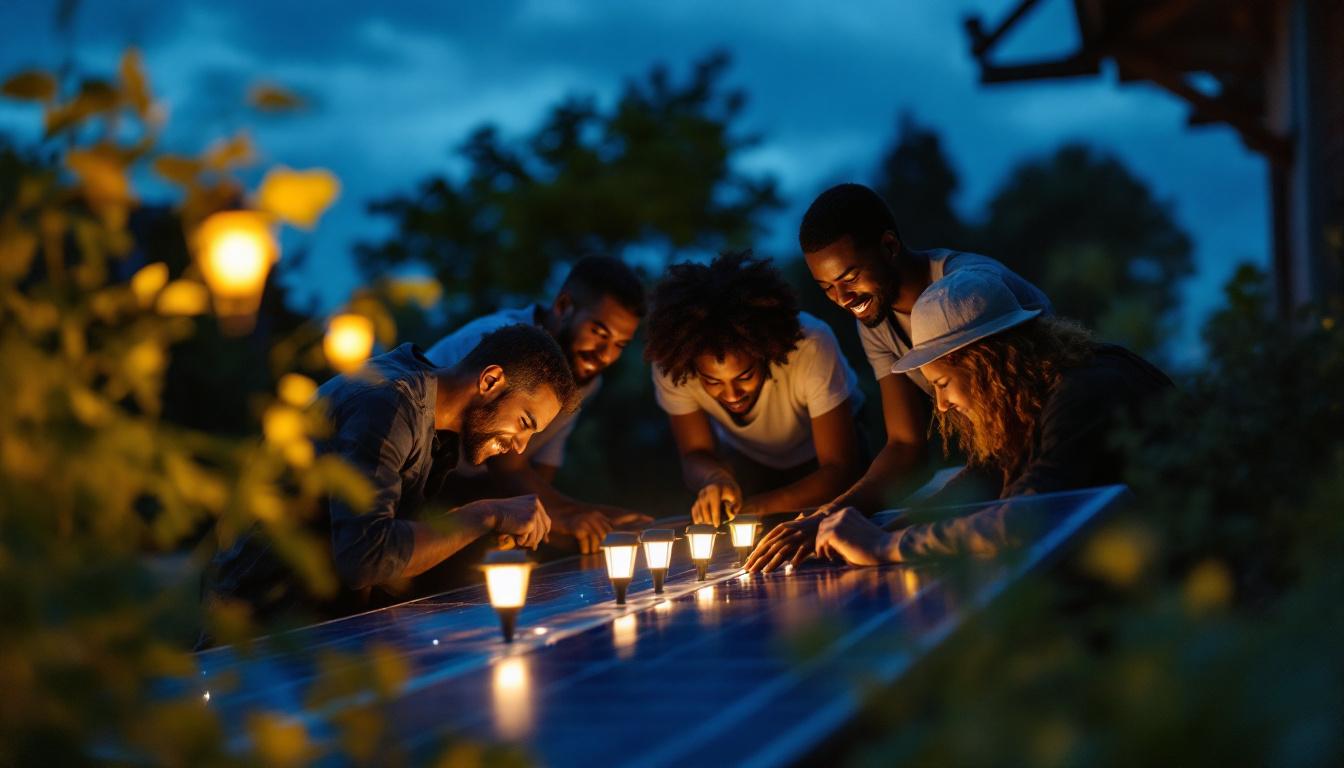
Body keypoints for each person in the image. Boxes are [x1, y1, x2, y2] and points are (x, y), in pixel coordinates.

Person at [748, 182, 1052, 571]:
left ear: (889, 246)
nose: (843, 298)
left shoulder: (975, 292)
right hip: (1000, 465)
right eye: (827, 289)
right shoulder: (874, 320)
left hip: (1047, 457)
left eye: (850, 277)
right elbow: (906, 444)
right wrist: (827, 517)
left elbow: (1030, 422)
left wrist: (889, 532)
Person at [206, 324, 580, 623]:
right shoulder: (388, 404)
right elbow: (365, 558)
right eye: (524, 423)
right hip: (257, 628)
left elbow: (394, 546)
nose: (519, 446)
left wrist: (477, 535)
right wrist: (487, 514)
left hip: (311, 623)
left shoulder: (432, 419)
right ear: (490, 381)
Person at [812, 269, 1173, 566]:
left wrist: (883, 547)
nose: (940, 405)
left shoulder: (1082, 393)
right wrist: (885, 527)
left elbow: (1027, 518)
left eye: (942, 383)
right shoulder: (1039, 393)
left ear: (983, 364)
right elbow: (987, 472)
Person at [426, 256, 651, 553]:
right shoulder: (500, 343)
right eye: (599, 333)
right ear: (563, 307)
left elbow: (539, 468)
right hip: (423, 481)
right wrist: (572, 513)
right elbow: (507, 465)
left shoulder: (583, 380)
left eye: (619, 345)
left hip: (476, 490)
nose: (605, 355)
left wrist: (572, 520)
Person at [644, 252, 866, 525]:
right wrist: (715, 478)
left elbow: (839, 469)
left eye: (744, 375)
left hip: (830, 459)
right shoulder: (674, 363)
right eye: (712, 381)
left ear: (765, 352)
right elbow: (694, 454)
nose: (732, 394)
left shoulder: (811, 344)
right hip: (749, 457)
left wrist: (755, 507)